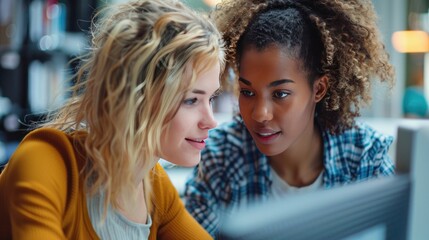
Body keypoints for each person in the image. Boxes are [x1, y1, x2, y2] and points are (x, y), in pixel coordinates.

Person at [0, 0, 224, 239]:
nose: (211, 121)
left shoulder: (155, 189)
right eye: (191, 100)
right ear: (136, 98)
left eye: (211, 99)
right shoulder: (45, 162)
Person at [184, 0, 396, 237]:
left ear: (318, 89)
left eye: (280, 94)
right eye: (248, 92)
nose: (260, 113)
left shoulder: (365, 159)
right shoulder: (222, 155)